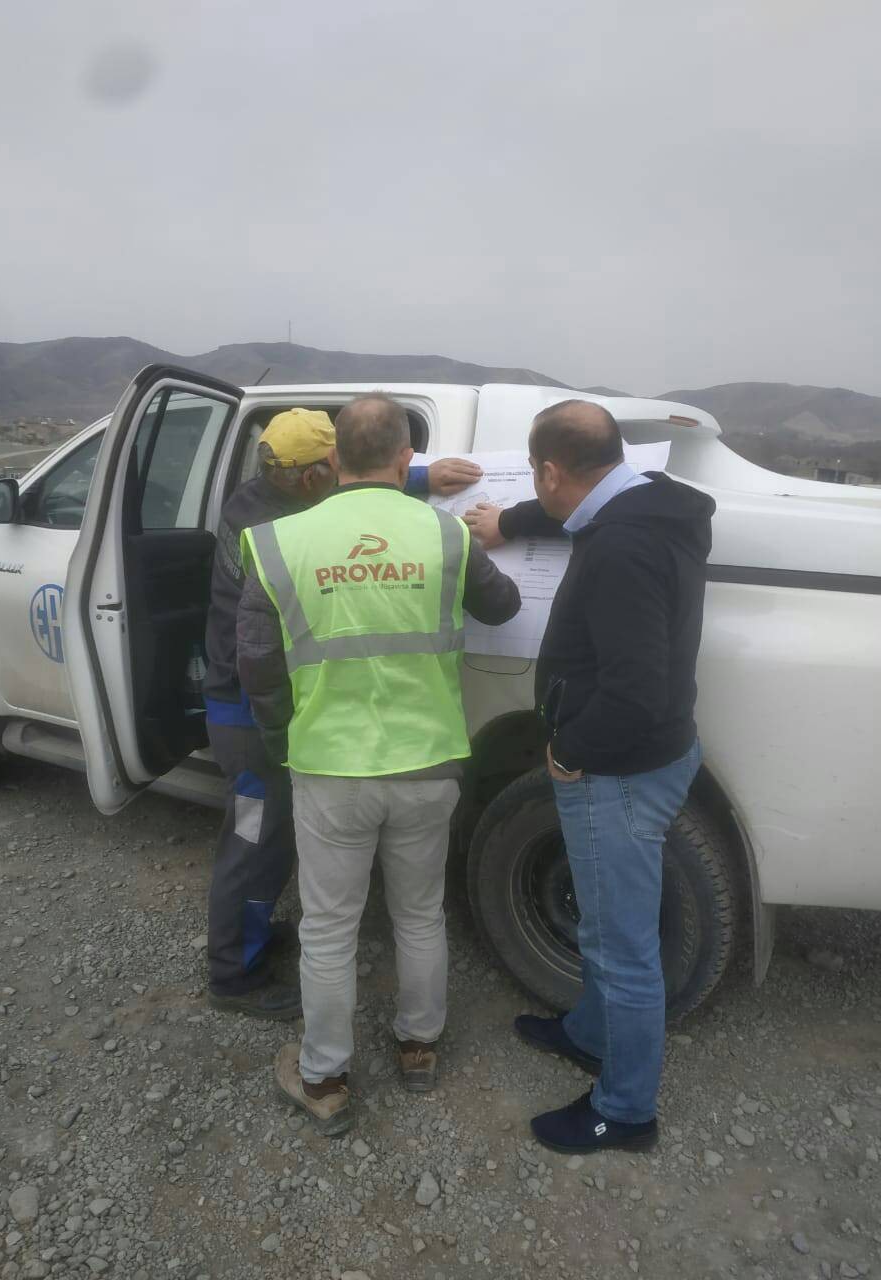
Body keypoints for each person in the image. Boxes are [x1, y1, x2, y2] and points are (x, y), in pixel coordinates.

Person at [236, 393, 520, 1135]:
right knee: (419, 912)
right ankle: (419, 1047)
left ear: (332, 461)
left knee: (329, 927)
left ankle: (324, 1076)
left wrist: (284, 743)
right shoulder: (446, 537)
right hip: (428, 761)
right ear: (406, 459)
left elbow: (258, 669)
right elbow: (503, 607)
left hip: (329, 765)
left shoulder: (274, 542)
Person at [466, 400, 715, 1155]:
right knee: (614, 930)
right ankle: (588, 1032)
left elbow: (635, 689)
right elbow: (579, 514)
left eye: (540, 485)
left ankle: (626, 1110)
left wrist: (572, 750)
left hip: (617, 771)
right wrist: (512, 522)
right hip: (657, 753)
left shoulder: (620, 551)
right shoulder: (647, 508)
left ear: (551, 470)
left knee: (620, 947)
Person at [204, 407, 483, 1018]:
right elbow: (345, 509)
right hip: (245, 709)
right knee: (252, 838)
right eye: (328, 464)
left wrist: (417, 474)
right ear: (313, 476)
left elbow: (351, 494)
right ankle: (230, 972)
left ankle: (255, 937)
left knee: (275, 837)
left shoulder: (275, 496)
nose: (336, 469)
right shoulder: (265, 523)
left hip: (278, 709)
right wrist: (411, 476)